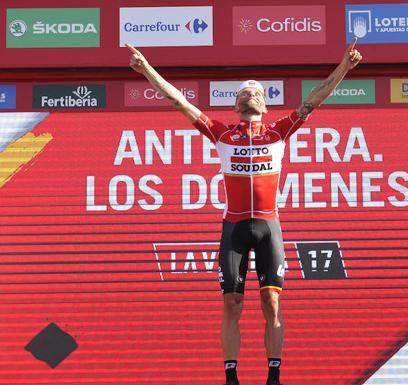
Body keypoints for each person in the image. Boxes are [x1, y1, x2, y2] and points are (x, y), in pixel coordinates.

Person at [127, 39, 362, 385]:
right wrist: (146, 69)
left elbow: (315, 99)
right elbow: (179, 101)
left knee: (272, 304)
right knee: (232, 304)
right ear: (236, 105)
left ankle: (273, 376)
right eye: (243, 92)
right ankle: (231, 376)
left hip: (269, 225)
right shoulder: (222, 134)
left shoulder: (279, 132)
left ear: (265, 106)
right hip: (234, 226)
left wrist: (344, 67)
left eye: (256, 92)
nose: (249, 94)